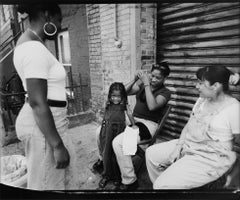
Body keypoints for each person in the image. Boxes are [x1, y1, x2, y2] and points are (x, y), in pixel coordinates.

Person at [13, 4, 78, 190]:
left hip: (50, 121)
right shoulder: (33, 48)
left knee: (57, 180)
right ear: (47, 15)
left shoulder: (32, 43)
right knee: (47, 185)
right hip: (43, 123)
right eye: (59, 20)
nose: (59, 25)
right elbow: (37, 101)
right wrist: (57, 146)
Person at [145, 65, 240, 189]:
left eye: (201, 83)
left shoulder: (233, 108)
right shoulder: (202, 101)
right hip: (189, 146)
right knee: (152, 153)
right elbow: (189, 124)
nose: (196, 86)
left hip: (210, 158)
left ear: (215, 86)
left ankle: (165, 187)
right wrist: (178, 147)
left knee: (161, 185)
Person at [111, 62, 171, 190]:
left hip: (148, 124)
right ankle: (107, 165)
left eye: (158, 77)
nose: (153, 79)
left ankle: (130, 181)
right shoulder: (143, 85)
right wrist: (135, 79)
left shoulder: (165, 92)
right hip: (132, 119)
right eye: (152, 75)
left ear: (165, 79)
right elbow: (123, 93)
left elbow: (152, 106)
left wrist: (147, 84)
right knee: (102, 130)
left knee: (119, 142)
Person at [93, 82, 135, 189]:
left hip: (119, 130)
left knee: (115, 154)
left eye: (118, 96)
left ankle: (117, 177)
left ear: (123, 96)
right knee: (106, 153)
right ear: (110, 95)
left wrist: (134, 125)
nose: (116, 99)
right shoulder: (108, 103)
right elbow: (105, 116)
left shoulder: (124, 104)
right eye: (113, 96)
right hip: (107, 131)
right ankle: (106, 175)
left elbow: (129, 114)